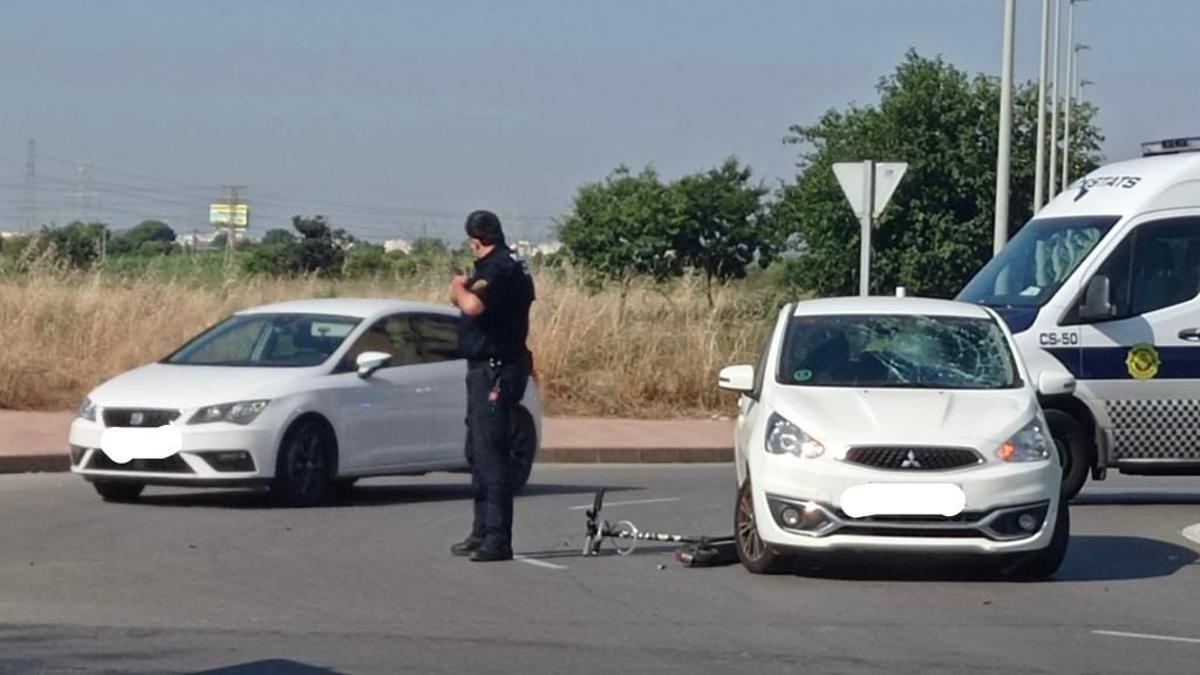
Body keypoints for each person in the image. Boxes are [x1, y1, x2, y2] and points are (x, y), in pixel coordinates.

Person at [448, 210, 536, 562]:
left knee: (491, 452)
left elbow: (472, 305)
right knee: (477, 450)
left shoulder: (498, 267)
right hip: (489, 367)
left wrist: (458, 286)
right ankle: (481, 530)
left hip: (496, 369)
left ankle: (498, 538)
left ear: (475, 240)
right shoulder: (509, 263)